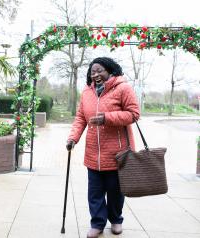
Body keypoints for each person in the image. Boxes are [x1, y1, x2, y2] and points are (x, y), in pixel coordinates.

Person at [66, 57, 140, 238]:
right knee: (95, 193)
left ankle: (116, 220)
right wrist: (73, 138)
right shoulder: (86, 92)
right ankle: (98, 223)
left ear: (110, 70)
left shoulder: (123, 88)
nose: (96, 75)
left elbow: (134, 114)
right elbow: (80, 118)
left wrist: (107, 118)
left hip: (118, 153)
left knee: (115, 192)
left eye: (100, 70)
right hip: (93, 153)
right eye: (92, 72)